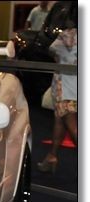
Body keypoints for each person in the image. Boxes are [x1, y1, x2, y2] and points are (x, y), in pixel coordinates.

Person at [38, 15, 77, 173]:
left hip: (65, 87)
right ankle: (52, 156)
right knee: (60, 120)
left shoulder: (66, 35)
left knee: (71, 125)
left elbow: (52, 51)